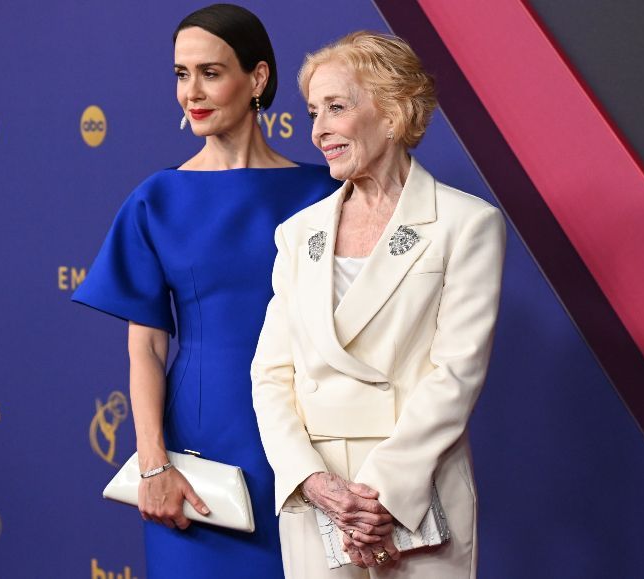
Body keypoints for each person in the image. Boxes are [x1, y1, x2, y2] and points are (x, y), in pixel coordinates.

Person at [72, 4, 338, 578]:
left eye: (211, 73)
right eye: (180, 74)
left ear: (257, 79)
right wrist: (152, 464)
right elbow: (145, 347)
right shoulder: (157, 199)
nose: (191, 91)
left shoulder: (324, 193)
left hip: (310, 437)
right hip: (200, 444)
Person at [251, 31, 506, 578]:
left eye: (336, 108)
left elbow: (457, 373)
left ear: (393, 113)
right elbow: (271, 376)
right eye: (314, 111)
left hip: (414, 490)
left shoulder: (466, 224)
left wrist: (381, 494)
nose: (318, 130)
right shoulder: (298, 235)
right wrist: (311, 481)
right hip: (316, 494)